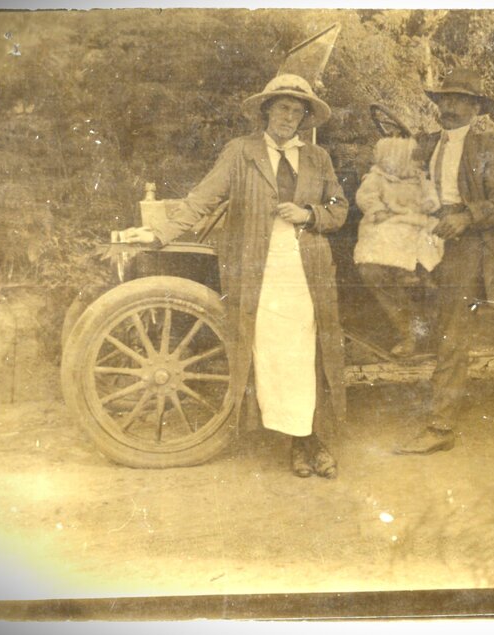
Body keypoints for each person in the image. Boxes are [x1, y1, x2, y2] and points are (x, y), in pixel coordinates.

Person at [118, 73, 349, 479]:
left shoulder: (317, 158)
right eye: (282, 108)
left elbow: (339, 208)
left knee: (305, 352)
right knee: (272, 352)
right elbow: (203, 198)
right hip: (258, 270)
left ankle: (308, 440)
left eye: (297, 111)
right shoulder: (242, 152)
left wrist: (309, 214)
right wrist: (160, 233)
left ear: (304, 118)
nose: (289, 117)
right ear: (267, 111)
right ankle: (295, 441)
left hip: (304, 267)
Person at [393, 67, 494, 455]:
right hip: (421, 234)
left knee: (452, 331)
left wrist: (465, 217)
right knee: (374, 269)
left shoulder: (488, 149)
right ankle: (406, 336)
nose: (449, 107)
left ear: (475, 108)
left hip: (468, 246)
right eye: (445, 99)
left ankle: (441, 426)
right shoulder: (425, 143)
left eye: (460, 100)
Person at [354, 136, 444, 357]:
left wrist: (429, 203)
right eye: (412, 159)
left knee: (426, 242)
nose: (417, 163)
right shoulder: (378, 178)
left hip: (415, 223)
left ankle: (412, 271)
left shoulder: (419, 179)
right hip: (388, 221)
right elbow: (366, 197)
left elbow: (432, 198)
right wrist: (377, 210)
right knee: (384, 239)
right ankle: (402, 270)